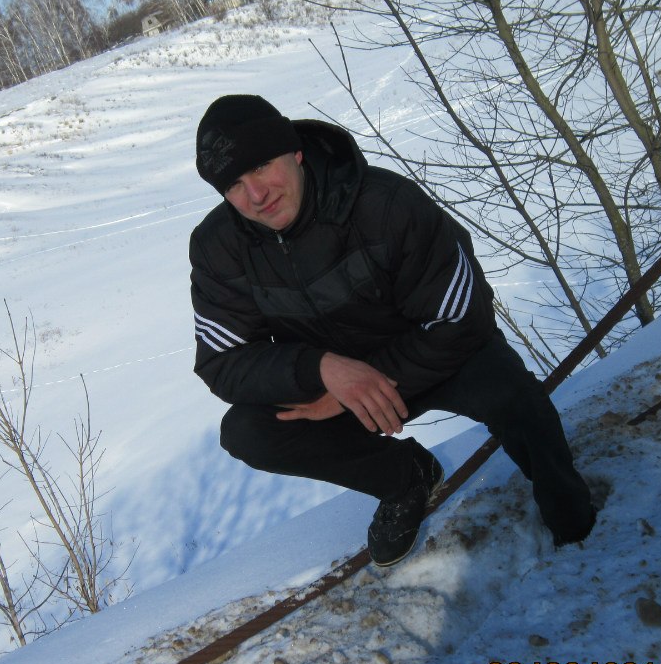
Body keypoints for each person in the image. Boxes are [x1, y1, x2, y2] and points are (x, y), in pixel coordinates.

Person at [188, 94, 597, 566]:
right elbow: (223, 362)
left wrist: (361, 386)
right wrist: (321, 370)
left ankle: (575, 525)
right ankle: (406, 478)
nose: (257, 195)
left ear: (295, 151)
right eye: (234, 185)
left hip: (434, 358)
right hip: (334, 384)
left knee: (513, 394)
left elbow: (463, 317)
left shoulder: (386, 204)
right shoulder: (220, 248)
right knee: (250, 430)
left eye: (261, 166)